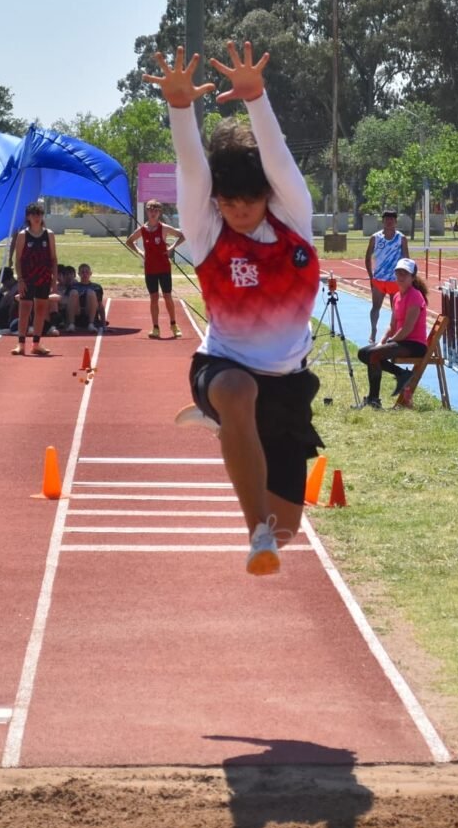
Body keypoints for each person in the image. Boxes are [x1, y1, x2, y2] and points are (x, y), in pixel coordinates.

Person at [145, 40, 321, 576]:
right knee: (237, 392)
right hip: (224, 367)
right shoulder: (205, 231)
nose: (239, 211)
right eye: (228, 201)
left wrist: (256, 99)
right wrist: (181, 109)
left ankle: (229, 435)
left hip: (288, 384)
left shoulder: (293, 218)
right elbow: (192, 168)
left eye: (249, 200)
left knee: (291, 526)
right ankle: (256, 533)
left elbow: (280, 162)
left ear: (267, 194)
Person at [356, 257, 429, 408]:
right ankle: (401, 374)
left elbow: (407, 329)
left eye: (405, 274)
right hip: (401, 341)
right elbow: (392, 325)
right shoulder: (396, 296)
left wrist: (391, 342)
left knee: (374, 355)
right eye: (399, 273)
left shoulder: (415, 296)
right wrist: (382, 341)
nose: (401, 277)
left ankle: (373, 399)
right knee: (363, 353)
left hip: (414, 344)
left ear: (412, 277)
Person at [125, 199, 185, 339]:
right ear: (147, 211)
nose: (153, 213)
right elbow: (129, 241)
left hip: (164, 267)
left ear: (159, 213)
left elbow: (183, 235)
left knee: (167, 296)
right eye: (150, 210)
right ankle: (155, 327)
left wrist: (171, 248)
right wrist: (140, 252)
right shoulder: (142, 230)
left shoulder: (164, 228)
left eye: (156, 210)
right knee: (153, 298)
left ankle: (173, 324)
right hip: (150, 268)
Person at [12, 202, 58, 354]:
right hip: (27, 277)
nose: (37, 217)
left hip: (44, 276)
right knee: (25, 309)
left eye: (39, 214)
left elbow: (53, 259)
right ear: (28, 217)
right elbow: (17, 260)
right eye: (33, 214)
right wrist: (20, 279)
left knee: (40, 309)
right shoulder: (23, 235)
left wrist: (54, 279)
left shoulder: (49, 234)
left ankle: (36, 344)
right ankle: (21, 344)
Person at [364, 209, 410, 343]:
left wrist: (406, 278)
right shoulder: (375, 238)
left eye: (392, 220)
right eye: (386, 220)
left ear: (395, 222)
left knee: (395, 309)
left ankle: (394, 332)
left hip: (395, 280)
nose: (389, 222)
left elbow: (406, 258)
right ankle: (373, 331)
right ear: (383, 221)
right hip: (379, 279)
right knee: (375, 307)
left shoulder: (401, 238)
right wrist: (370, 276)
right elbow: (367, 257)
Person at [66, 263, 104, 332]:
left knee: (91, 292)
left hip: (89, 312)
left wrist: (103, 324)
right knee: (73, 292)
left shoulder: (96, 287)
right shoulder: (73, 286)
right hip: (77, 313)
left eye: (87, 272)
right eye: (82, 272)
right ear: (79, 274)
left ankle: (91, 324)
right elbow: (66, 304)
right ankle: (71, 324)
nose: (85, 274)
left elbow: (100, 306)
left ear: (90, 273)